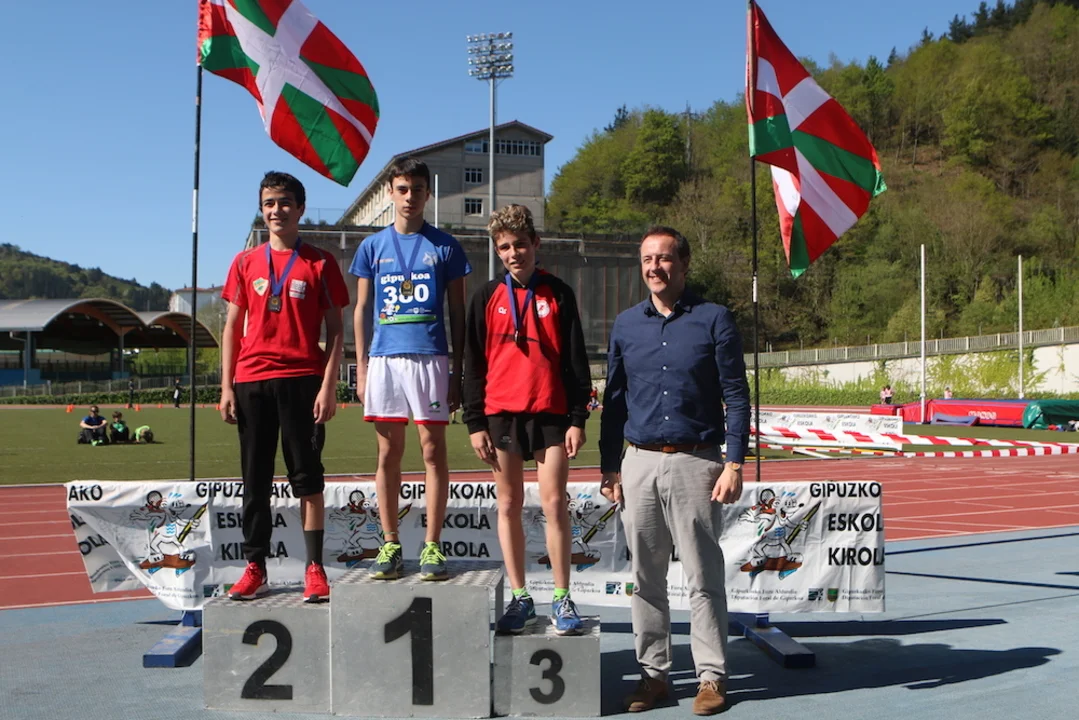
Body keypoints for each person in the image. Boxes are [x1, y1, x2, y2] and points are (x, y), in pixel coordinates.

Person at [599, 226, 750, 716]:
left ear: (683, 264)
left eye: (664, 258)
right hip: (638, 462)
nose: (654, 267)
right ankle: (654, 676)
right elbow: (614, 402)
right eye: (647, 259)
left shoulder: (714, 319)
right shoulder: (626, 325)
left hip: (696, 462)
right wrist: (609, 467)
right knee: (646, 579)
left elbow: (736, 395)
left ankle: (711, 678)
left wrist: (733, 462)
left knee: (703, 577)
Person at [219, 171, 350, 603]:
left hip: (302, 381)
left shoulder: (320, 262)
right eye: (269, 203)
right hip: (252, 381)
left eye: (285, 202)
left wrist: (328, 386)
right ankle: (255, 567)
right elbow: (232, 327)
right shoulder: (244, 262)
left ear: (301, 208)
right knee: (254, 480)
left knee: (308, 479)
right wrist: (226, 386)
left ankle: (314, 568)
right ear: (262, 210)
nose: (277, 210)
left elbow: (336, 331)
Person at [463, 204, 591, 636]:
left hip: (551, 412)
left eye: (520, 244)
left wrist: (578, 418)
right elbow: (472, 366)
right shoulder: (485, 296)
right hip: (501, 414)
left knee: (554, 503)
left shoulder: (558, 293)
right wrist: (475, 423)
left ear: (535, 243)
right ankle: (520, 597)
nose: (513, 253)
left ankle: (562, 596)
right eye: (504, 247)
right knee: (509, 504)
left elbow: (576, 360)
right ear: (496, 251)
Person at [350, 157, 471, 581]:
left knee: (433, 451)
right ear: (390, 193)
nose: (409, 197)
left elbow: (458, 312)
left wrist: (457, 370)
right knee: (388, 452)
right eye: (402, 189)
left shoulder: (446, 246)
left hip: (431, 358)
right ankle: (390, 543)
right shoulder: (372, 247)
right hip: (385, 360)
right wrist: (361, 367)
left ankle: (432, 544)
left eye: (417, 190)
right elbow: (362, 310)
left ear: (427, 194)